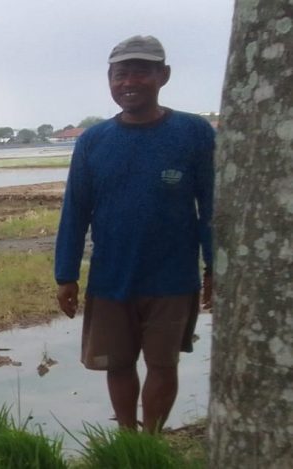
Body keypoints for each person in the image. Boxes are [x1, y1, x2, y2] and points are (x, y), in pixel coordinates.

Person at [54, 35, 215, 433]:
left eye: (141, 71)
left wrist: (215, 266)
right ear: (109, 80)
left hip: (173, 278)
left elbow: (213, 207)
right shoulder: (93, 141)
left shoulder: (194, 133)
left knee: (163, 363)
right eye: (120, 74)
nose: (129, 82)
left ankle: (152, 440)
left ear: (164, 76)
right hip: (111, 278)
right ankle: (129, 438)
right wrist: (65, 274)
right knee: (118, 364)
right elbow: (75, 210)